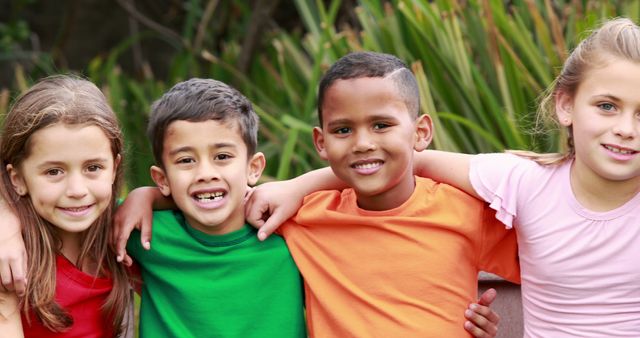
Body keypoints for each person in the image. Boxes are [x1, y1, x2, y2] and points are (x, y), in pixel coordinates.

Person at [248, 18, 640, 337]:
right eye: (607, 106)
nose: (625, 128)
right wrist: (297, 186)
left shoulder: (470, 210)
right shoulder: (523, 182)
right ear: (566, 105)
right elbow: (406, 161)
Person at [115, 52, 520, 337]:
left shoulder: (464, 210)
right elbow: (220, 197)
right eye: (344, 130)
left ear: (421, 132)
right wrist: (147, 196)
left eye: (382, 125)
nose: (363, 143)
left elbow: (553, 250)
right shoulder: (300, 219)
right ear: (321, 142)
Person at [125, 78, 306, 337]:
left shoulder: (290, 233)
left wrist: (299, 186)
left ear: (253, 167)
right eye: (186, 160)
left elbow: (370, 179)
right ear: (162, 179)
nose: (205, 173)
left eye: (222, 157)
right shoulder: (144, 232)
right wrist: (144, 196)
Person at [0, 75, 131, 337]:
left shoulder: (126, 235)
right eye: (54, 172)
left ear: (114, 168)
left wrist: (148, 196)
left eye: (93, 168)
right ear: (18, 179)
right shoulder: (11, 258)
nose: (77, 191)